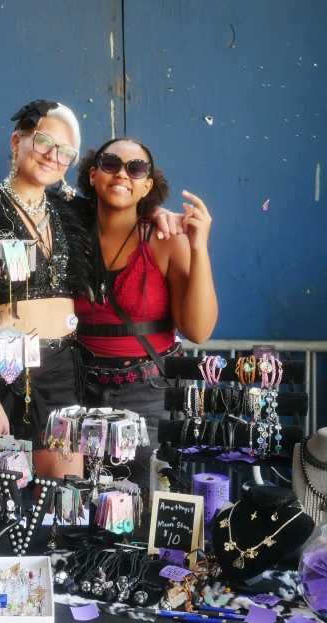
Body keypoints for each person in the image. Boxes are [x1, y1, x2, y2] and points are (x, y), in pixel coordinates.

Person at [74, 138, 218, 489]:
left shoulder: (165, 239)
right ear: (92, 174)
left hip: (149, 393)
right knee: (78, 502)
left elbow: (198, 330)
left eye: (136, 169)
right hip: (77, 391)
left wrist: (198, 247)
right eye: (111, 164)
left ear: (147, 185)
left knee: (146, 501)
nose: (122, 174)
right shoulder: (68, 232)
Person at [0, 100, 89, 445]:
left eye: (65, 152)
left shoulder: (71, 215)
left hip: (62, 372)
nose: (53, 156)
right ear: (16, 141)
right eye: (44, 142)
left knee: (66, 477)